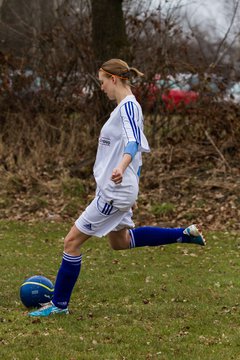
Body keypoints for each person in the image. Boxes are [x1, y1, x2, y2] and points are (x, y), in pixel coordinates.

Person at [29, 59, 206, 317]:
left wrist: (122, 168)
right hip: (118, 189)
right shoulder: (125, 108)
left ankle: (59, 305)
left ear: (113, 79)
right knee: (120, 242)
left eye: (102, 82)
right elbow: (139, 152)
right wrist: (130, 181)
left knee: (71, 242)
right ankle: (183, 234)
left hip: (115, 190)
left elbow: (134, 143)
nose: (101, 88)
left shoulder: (129, 108)